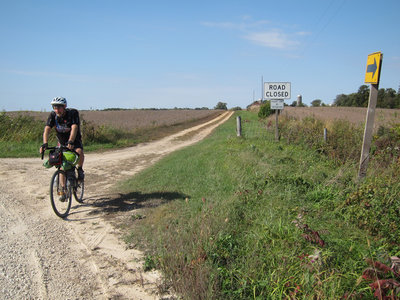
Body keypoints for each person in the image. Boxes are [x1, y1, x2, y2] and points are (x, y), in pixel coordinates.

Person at [40, 97, 85, 181]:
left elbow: (74, 127)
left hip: (74, 140)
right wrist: (45, 143)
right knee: (61, 166)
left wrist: (71, 141)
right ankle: (63, 191)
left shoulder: (72, 113)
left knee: (79, 152)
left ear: (64, 106)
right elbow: (47, 129)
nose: (57, 110)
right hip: (62, 141)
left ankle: (80, 169)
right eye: (54, 108)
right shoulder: (53, 115)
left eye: (59, 108)